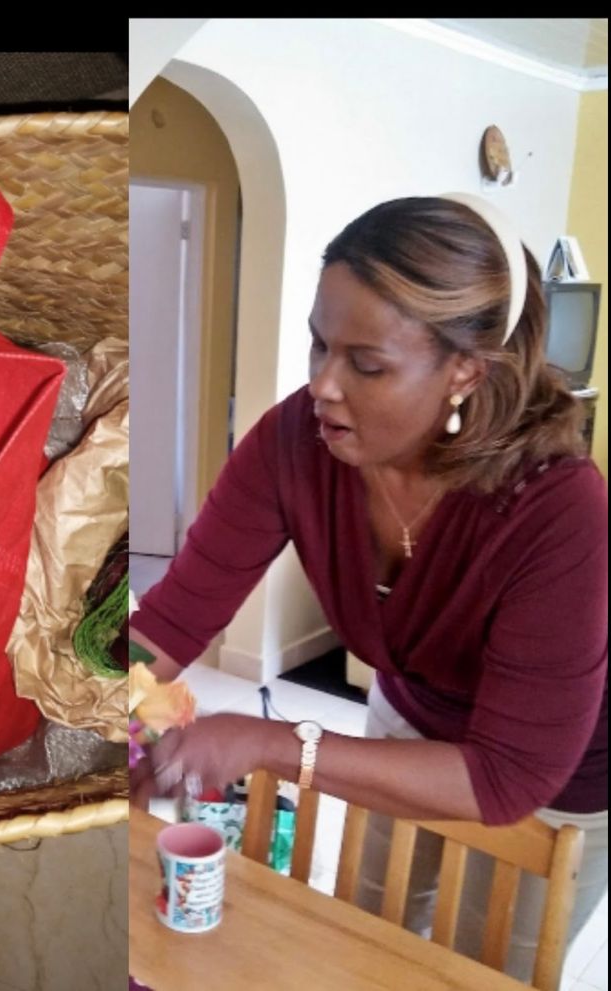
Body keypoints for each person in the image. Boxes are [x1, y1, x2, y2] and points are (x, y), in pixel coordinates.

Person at [129, 194, 608, 981]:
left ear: (466, 370)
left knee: (475, 968)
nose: (320, 383)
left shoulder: (558, 510)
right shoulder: (296, 442)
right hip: (409, 718)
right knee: (370, 935)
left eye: (365, 363)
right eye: (318, 346)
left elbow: (504, 775)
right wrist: (86, 698)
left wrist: (267, 741)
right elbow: (173, 619)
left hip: (551, 778)